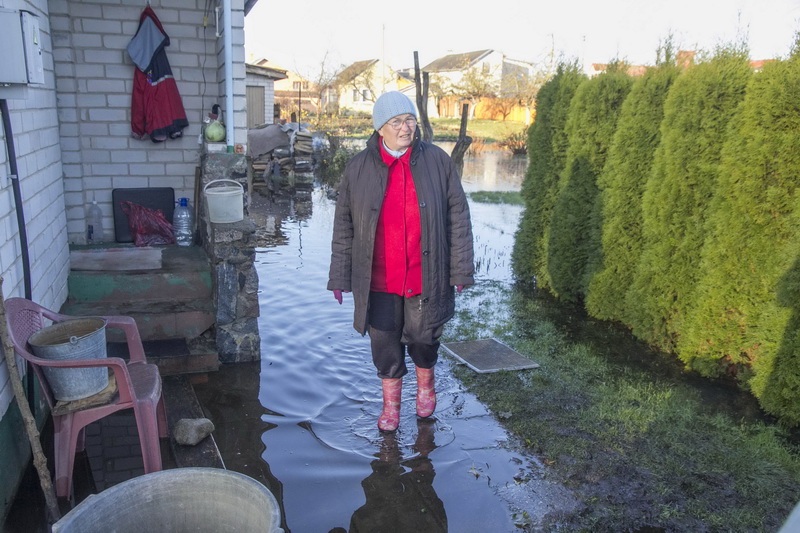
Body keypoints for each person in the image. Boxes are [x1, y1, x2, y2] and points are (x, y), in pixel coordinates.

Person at [327, 91, 474, 432]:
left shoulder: (438, 162)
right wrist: (340, 275)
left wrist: (461, 269)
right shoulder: (358, 169)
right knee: (384, 344)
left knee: (424, 338)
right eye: (397, 122)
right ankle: (391, 406)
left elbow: (459, 218)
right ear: (381, 128)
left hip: (426, 274)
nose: (406, 128)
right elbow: (344, 225)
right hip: (378, 279)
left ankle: (425, 388)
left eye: (410, 120)